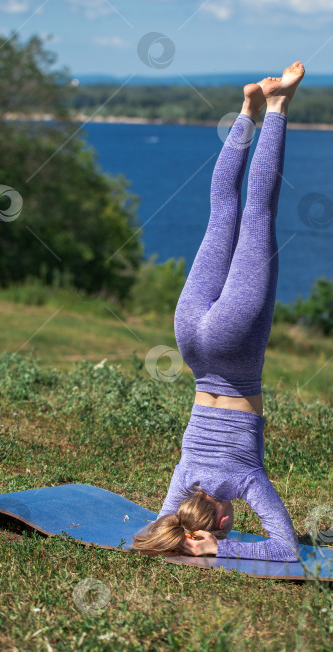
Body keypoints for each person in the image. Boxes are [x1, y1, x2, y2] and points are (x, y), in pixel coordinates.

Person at [132, 61, 306, 561]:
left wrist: (218, 551)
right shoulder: (184, 480)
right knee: (222, 213)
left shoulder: (246, 482)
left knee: (257, 216)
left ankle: (276, 106)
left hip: (233, 343)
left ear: (221, 523)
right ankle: (247, 110)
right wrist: (187, 538)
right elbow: (161, 526)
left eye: (228, 528)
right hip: (191, 339)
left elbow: (285, 549)